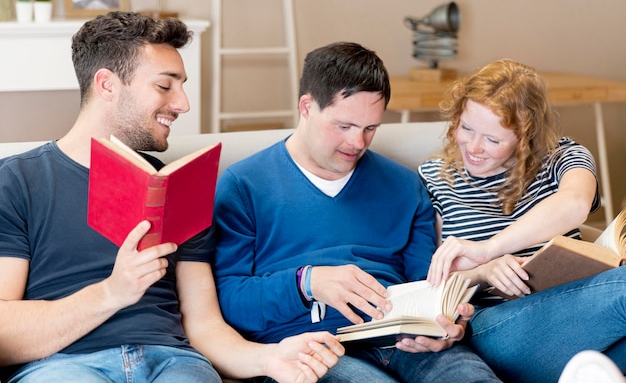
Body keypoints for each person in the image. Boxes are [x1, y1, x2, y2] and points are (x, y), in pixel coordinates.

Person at [0, 11, 344, 383]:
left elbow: (205, 326)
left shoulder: (177, 185)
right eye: (165, 86)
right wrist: (112, 292)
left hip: (173, 363)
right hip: (63, 366)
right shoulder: (17, 181)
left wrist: (269, 359)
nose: (183, 104)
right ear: (107, 85)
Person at [211, 41, 501, 383]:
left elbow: (424, 282)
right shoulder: (243, 185)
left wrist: (445, 321)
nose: (358, 143)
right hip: (310, 346)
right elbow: (231, 302)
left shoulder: (406, 187)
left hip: (402, 342)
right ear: (307, 107)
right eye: (344, 126)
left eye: (370, 128)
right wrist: (307, 283)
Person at [418, 59, 626, 383]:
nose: (473, 147)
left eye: (492, 139)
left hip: (580, 307)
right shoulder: (432, 180)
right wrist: (486, 271)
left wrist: (489, 249)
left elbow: (575, 203)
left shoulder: (564, 156)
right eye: (467, 128)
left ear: (525, 136)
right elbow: (430, 278)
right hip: (492, 326)